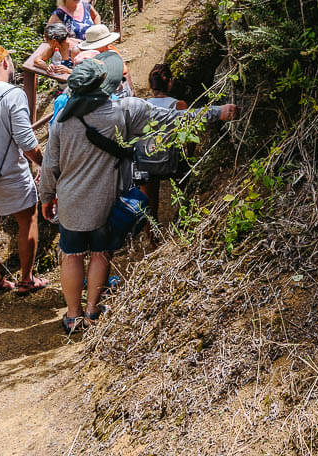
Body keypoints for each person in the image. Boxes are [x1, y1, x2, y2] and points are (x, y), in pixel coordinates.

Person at [39, 59, 235, 333]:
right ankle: (93, 312)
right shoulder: (126, 110)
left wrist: (46, 197)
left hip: (71, 201)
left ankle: (73, 316)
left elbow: (50, 165)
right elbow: (175, 118)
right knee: (100, 253)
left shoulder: (62, 121)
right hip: (105, 200)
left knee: (71, 256)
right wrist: (217, 112)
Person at [0, 45, 47, 296]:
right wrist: (43, 163)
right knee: (28, 219)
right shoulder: (13, 94)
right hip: (10, 173)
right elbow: (26, 140)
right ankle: (27, 279)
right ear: (5, 63)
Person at [134, 63, 188, 207]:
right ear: (170, 82)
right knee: (183, 187)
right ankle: (182, 216)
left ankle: (150, 228)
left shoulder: (142, 105)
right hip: (172, 162)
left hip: (147, 161)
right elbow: (188, 135)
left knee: (148, 202)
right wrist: (189, 158)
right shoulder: (179, 105)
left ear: (151, 85)